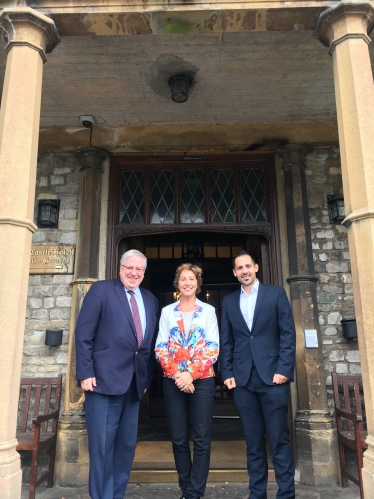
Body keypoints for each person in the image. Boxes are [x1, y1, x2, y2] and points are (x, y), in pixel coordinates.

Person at [75, 249, 159, 499]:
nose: (133, 273)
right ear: (120, 268)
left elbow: (148, 345)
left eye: (139, 269)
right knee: (101, 448)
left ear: (144, 273)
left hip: (134, 386)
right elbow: (83, 334)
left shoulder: (151, 299)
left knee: (125, 448)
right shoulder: (101, 290)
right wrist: (85, 372)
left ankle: (116, 495)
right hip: (102, 382)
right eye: (129, 268)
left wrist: (145, 379)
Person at [220, 250, 296, 499]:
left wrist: (284, 369)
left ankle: (286, 494)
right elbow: (226, 341)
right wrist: (227, 372)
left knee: (279, 440)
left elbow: (287, 333)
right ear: (234, 272)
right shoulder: (229, 301)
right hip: (243, 381)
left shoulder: (275, 294)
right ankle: (257, 494)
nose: (244, 271)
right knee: (253, 443)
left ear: (256, 267)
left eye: (247, 266)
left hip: (273, 379)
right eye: (239, 268)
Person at [155, 263, 219, 499]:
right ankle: (185, 488)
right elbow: (160, 347)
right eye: (183, 279)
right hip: (172, 381)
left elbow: (212, 348)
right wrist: (177, 375)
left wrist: (190, 374)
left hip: (201, 380)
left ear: (197, 283)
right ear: (177, 283)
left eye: (191, 278)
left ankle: (195, 493)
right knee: (179, 438)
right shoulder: (167, 312)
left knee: (201, 439)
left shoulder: (209, 311)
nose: (187, 282)